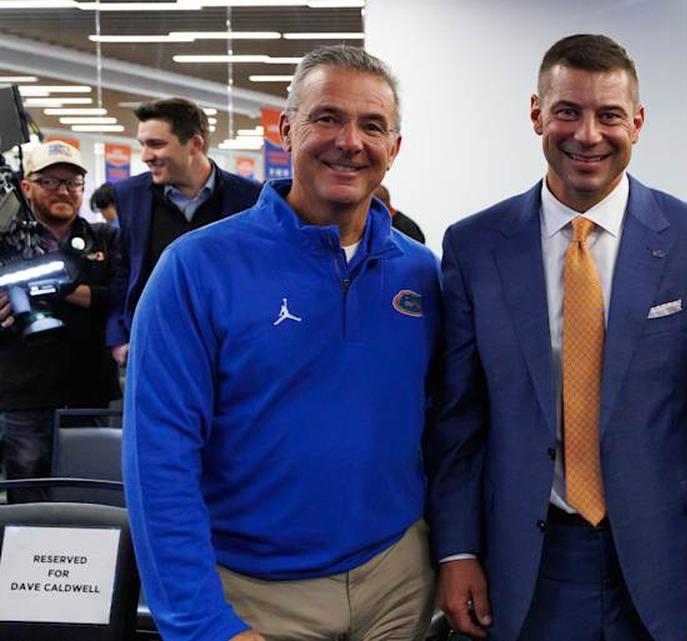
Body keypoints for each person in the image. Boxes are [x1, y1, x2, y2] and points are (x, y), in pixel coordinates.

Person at [428, 33, 687, 641]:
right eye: (567, 112)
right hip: (526, 565)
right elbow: (459, 419)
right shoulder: (474, 247)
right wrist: (455, 550)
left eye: (609, 115)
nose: (587, 135)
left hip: (670, 561)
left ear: (637, 122)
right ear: (536, 114)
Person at [123, 45, 439, 641]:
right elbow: (158, 463)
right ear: (286, 128)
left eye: (373, 126)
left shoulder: (422, 274)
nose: (350, 141)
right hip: (256, 598)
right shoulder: (195, 269)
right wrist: (202, 623)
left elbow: (448, 432)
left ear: (394, 150)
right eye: (327, 118)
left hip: (398, 584)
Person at [0, 141, 119, 502]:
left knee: (90, 496)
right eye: (50, 182)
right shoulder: (6, 243)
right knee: (28, 504)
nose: (63, 191)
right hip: (23, 396)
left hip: (88, 391)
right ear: (26, 187)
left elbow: (119, 297)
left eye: (72, 183)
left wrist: (54, 288)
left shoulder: (107, 239)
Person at [106, 97, 260, 368]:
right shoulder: (130, 195)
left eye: (156, 144)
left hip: (231, 346)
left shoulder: (250, 197)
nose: (145, 156)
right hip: (154, 345)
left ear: (195, 144)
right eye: (142, 145)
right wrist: (118, 335)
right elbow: (124, 269)